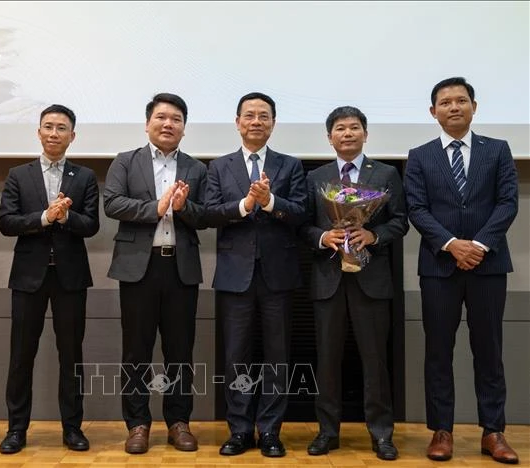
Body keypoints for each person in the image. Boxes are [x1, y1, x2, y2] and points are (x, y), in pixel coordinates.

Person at [404, 77, 519, 464]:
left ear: (474, 106)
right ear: (432, 111)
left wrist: (479, 245)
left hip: (488, 266)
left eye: (461, 100)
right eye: (445, 102)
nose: (454, 107)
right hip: (439, 267)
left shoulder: (498, 150)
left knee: (489, 351)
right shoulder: (419, 155)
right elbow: (417, 209)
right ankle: (442, 431)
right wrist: (453, 245)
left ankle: (493, 432)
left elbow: (507, 203)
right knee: (439, 351)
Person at [300, 106, 408, 460]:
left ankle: (381, 434)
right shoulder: (316, 177)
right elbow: (302, 225)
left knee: (375, 360)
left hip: (372, 280)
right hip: (328, 280)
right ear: (329, 137)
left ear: (366, 133)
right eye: (340, 129)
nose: (348, 134)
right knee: (327, 359)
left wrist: (373, 235)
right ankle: (327, 432)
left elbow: (401, 222)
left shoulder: (387, 174)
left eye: (355, 127)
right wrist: (323, 236)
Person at [103, 93, 207, 454]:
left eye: (176, 119)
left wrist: (183, 207)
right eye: (162, 117)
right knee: (136, 351)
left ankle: (178, 421)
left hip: (180, 268)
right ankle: (137, 424)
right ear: (148, 123)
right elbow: (112, 203)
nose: (168, 124)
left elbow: (204, 216)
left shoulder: (196, 167)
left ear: (183, 127)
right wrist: (156, 207)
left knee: (180, 351)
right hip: (138, 269)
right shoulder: (125, 161)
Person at [205, 92, 307, 458]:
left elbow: (300, 213)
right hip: (235, 276)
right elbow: (210, 214)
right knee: (236, 357)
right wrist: (246, 205)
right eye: (249, 115)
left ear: (273, 123)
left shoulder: (291, 165)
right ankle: (240, 430)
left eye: (264, 116)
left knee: (278, 357)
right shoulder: (219, 167)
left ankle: (270, 432)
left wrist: (271, 203)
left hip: (278, 276)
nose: (256, 122)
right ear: (237, 122)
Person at [0, 104, 99, 454]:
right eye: (48, 127)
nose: (54, 133)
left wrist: (66, 216)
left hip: (70, 279)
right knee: (21, 356)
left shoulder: (83, 177)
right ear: (38, 132)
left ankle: (72, 429)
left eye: (62, 128)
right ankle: (16, 430)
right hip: (28, 278)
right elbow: (6, 223)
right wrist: (43, 217)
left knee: (71, 355)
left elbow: (92, 225)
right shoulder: (18, 175)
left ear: (73, 136)